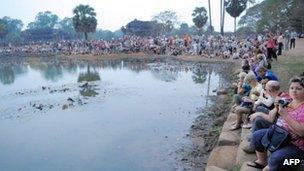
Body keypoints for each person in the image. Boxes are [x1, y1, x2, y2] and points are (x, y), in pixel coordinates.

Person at [247, 76, 304, 171]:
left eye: (298, 89)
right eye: (292, 88)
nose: (294, 91)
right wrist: (276, 107)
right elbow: (271, 116)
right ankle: (262, 161)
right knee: (257, 136)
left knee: (276, 160)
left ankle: (299, 163)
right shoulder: (288, 101)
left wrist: (285, 116)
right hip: (280, 134)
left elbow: (302, 133)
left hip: (297, 146)